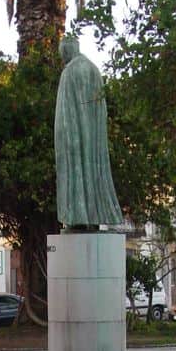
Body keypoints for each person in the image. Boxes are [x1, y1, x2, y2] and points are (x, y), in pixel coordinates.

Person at [54, 35, 122, 229]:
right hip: (94, 140)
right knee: (94, 172)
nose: (62, 58)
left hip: (74, 138)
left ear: (67, 50)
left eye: (62, 53)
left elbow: (64, 115)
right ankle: (93, 217)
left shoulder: (69, 72)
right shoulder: (94, 70)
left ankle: (77, 217)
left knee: (76, 173)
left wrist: (65, 141)